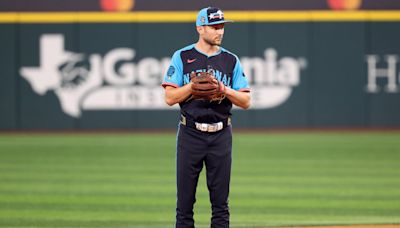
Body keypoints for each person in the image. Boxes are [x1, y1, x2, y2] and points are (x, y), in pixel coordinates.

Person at [161, 6, 251, 228]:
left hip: (221, 135)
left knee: (220, 205)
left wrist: (224, 89)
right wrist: (192, 87)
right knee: (184, 205)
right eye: (214, 27)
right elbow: (170, 97)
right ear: (200, 28)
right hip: (190, 134)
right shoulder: (182, 56)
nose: (220, 31)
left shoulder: (231, 60)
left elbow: (246, 101)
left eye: (222, 26)